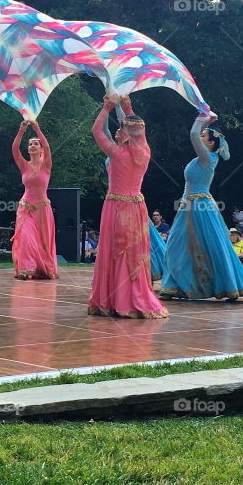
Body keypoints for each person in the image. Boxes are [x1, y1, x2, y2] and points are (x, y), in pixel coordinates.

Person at [160, 115, 243, 301]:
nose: (200, 137)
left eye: (204, 136)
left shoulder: (208, 158)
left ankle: (227, 286)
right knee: (177, 245)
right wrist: (182, 203)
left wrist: (201, 119)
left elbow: (193, 133)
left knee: (211, 245)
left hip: (201, 206)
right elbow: (188, 185)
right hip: (188, 205)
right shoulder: (199, 159)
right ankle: (174, 286)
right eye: (202, 135)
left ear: (211, 143)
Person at [86, 96, 166, 318]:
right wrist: (126, 106)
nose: (118, 131)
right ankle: (129, 297)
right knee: (132, 253)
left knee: (115, 251)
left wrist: (107, 107)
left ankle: (116, 300)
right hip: (137, 207)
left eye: (121, 129)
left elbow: (96, 131)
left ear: (127, 134)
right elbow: (132, 122)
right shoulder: (145, 152)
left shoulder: (117, 153)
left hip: (116, 205)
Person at [11, 118, 58, 280]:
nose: (32, 146)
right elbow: (15, 148)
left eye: (35, 144)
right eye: (30, 144)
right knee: (25, 236)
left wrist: (37, 129)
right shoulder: (24, 165)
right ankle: (26, 269)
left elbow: (47, 146)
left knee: (41, 241)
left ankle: (39, 268)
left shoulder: (46, 165)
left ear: (40, 149)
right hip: (25, 208)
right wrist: (21, 130)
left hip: (43, 209)